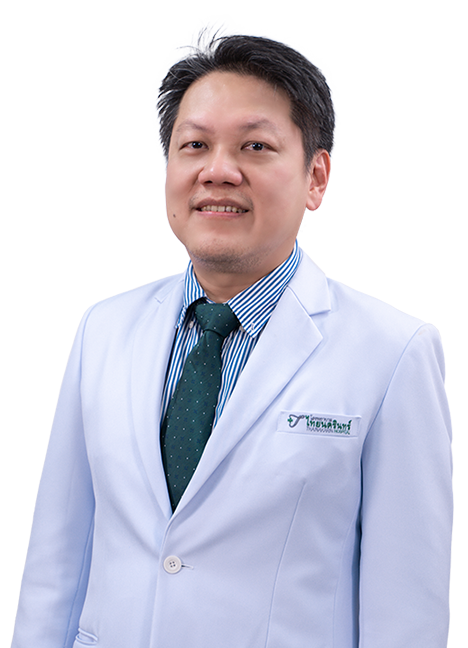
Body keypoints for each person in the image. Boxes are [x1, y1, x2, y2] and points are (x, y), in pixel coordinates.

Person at [12, 15, 453, 648]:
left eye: (255, 147)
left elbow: (406, 613)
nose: (218, 171)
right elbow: (55, 565)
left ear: (316, 177)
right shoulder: (103, 328)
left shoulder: (393, 353)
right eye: (194, 145)